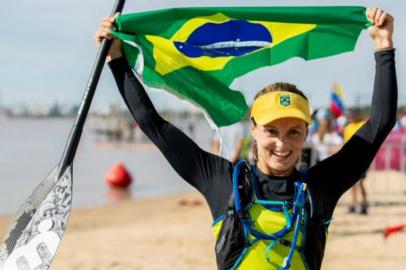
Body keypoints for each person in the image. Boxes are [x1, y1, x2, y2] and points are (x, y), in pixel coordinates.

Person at [96, 7, 396, 270]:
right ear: (254, 129)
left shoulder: (319, 188)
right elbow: (155, 126)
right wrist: (116, 59)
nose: (282, 143)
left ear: (306, 132)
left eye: (294, 131)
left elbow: (379, 124)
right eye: (271, 130)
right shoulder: (221, 181)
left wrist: (383, 45)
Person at [344, 108, 369, 215]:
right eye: (350, 116)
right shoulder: (348, 127)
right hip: (350, 158)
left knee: (361, 183)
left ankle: (364, 204)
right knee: (352, 184)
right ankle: (353, 205)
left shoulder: (363, 125)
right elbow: (346, 143)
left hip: (362, 158)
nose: (352, 117)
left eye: (353, 115)